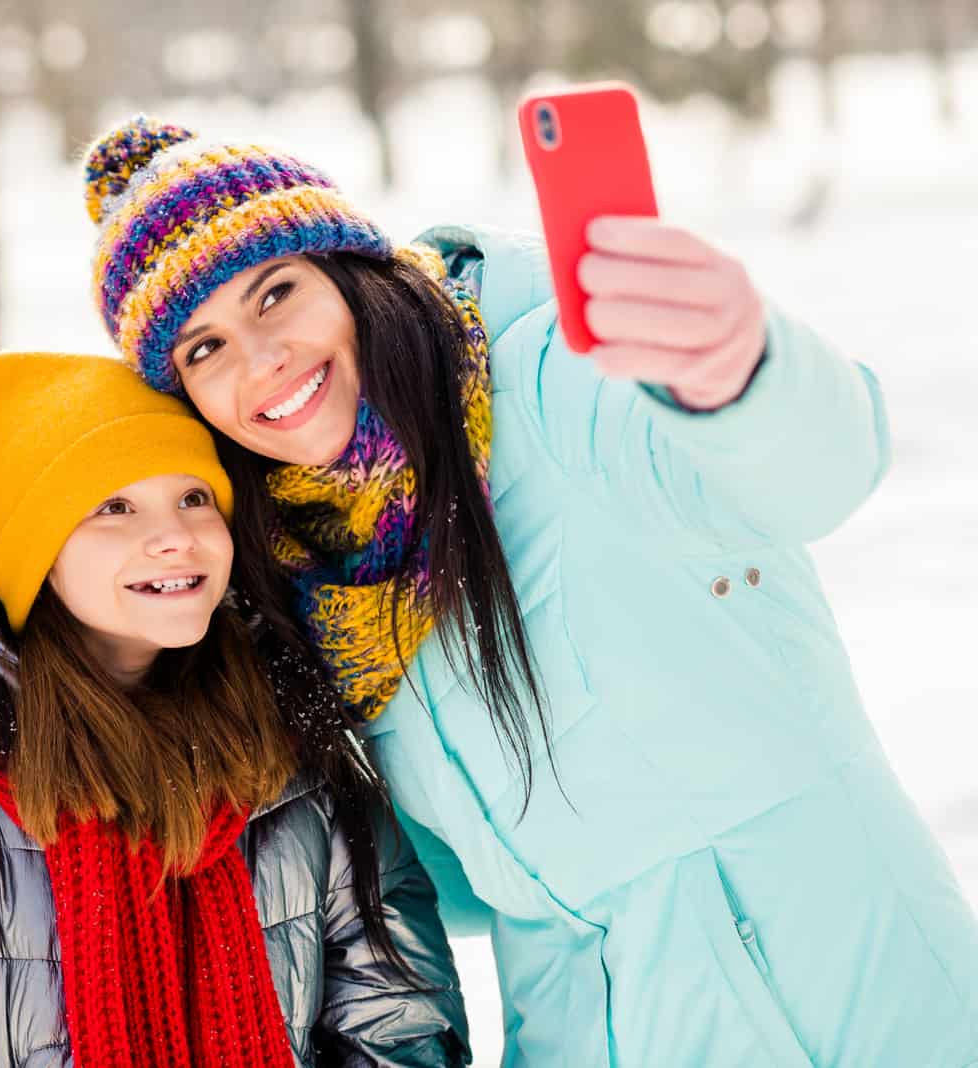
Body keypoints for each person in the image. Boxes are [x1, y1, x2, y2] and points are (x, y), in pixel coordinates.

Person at [76, 116, 978, 1066]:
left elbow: (820, 470)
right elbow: (477, 886)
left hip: (843, 1006)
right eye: (203, 349)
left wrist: (735, 364)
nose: (259, 360)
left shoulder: (553, 383)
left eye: (276, 294)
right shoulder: (311, 577)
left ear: (348, 271)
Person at [0, 349, 470, 1067]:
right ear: (33, 552)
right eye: (114, 507)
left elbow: (401, 1028)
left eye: (193, 497)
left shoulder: (299, 764)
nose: (175, 535)